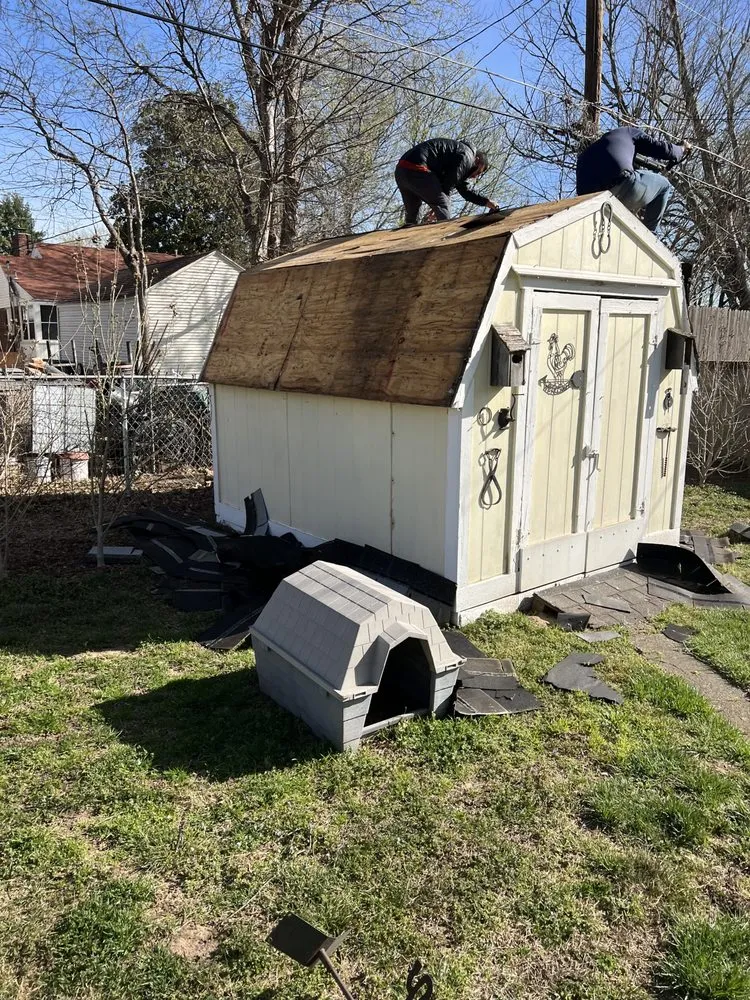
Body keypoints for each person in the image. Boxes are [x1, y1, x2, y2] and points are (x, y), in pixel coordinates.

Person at [576, 126, 690, 232]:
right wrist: (682, 149)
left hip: (593, 205)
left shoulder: (592, 152)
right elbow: (662, 149)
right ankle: (649, 237)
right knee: (664, 186)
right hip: (624, 185)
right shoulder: (629, 132)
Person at [394, 137, 499, 226]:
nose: (474, 176)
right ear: (477, 160)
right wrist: (440, 205)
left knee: (413, 215)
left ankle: (410, 240)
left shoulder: (457, 152)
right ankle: (443, 238)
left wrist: (486, 202)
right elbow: (450, 183)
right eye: (478, 172)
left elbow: (463, 189)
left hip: (401, 171)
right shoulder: (467, 155)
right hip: (418, 169)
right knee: (445, 205)